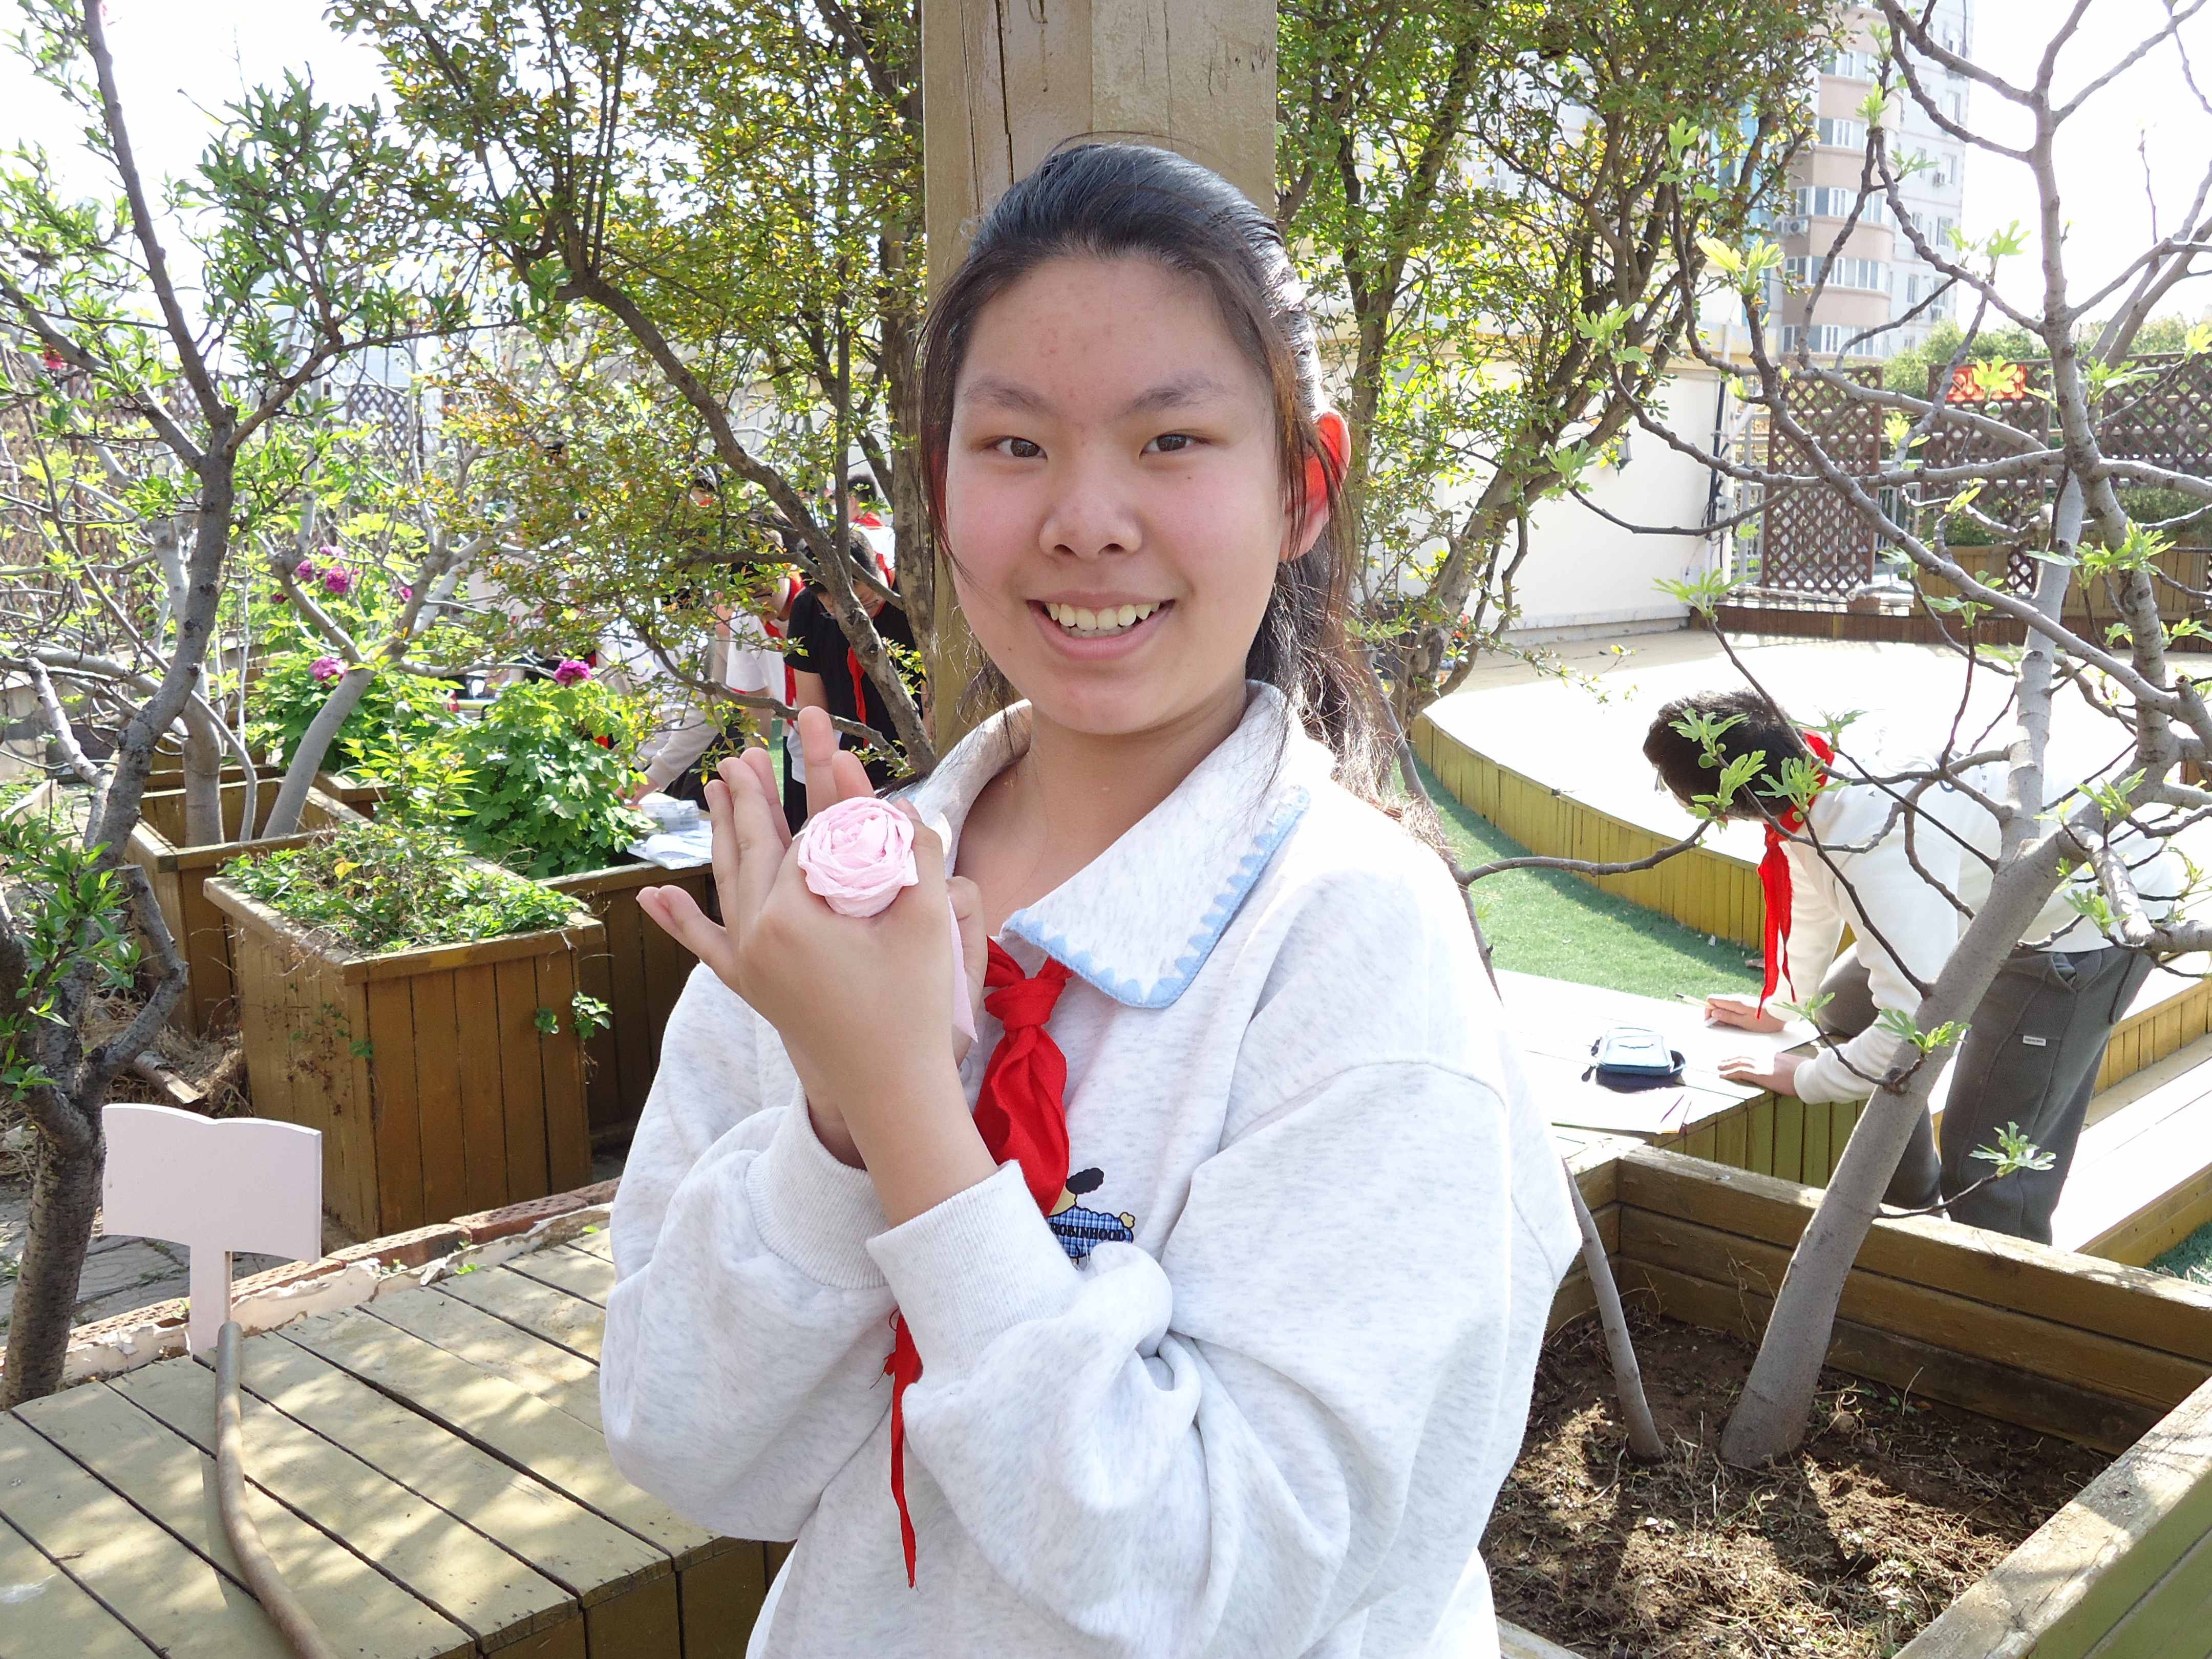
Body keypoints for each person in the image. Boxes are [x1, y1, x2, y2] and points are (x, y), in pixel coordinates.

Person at [600, 143, 1576, 1658]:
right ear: (939, 488)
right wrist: (828, 1129)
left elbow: (1232, 1586)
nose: (1087, 519)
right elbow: (686, 1446)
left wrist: (902, 1109)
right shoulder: (829, 918)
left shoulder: (1356, 942)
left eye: (1173, 439)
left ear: (1303, 487)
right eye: (1014, 445)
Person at [1644, 687, 2182, 1242]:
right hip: (1987, 903)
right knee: (1843, 1009)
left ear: (1719, 799)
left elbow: (1912, 1023)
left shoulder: (1871, 839)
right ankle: (1911, 1212)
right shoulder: (1807, 771)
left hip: (2082, 928)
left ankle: (1990, 1287)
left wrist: (1808, 1079)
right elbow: (1810, 885)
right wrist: (1786, 1004)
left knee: (1990, 1171)